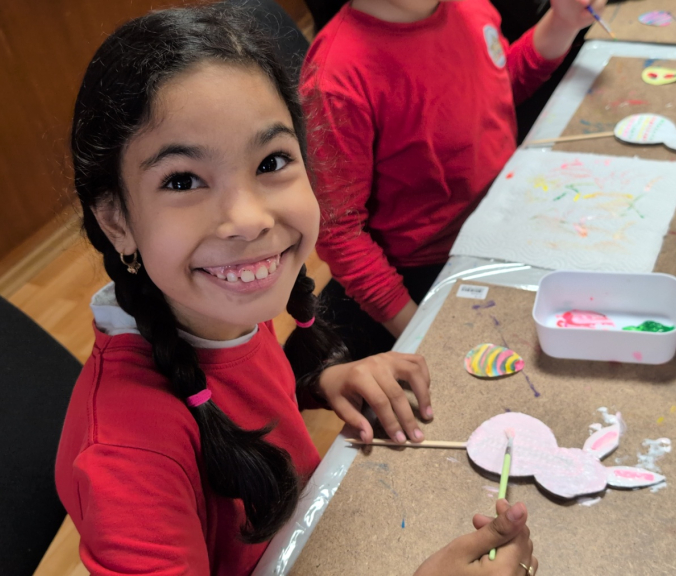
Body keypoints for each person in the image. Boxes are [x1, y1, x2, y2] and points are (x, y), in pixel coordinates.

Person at [54, 5, 537, 574]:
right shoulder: (126, 458)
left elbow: (242, 394)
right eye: (182, 180)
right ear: (116, 220)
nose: (249, 219)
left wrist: (319, 381)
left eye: (271, 161)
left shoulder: (217, 308)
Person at [301, 0, 606, 358]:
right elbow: (338, 232)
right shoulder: (335, 80)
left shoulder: (467, 8)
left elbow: (497, 86)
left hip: (508, 221)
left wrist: (562, 23)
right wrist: (420, 333)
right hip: (436, 273)